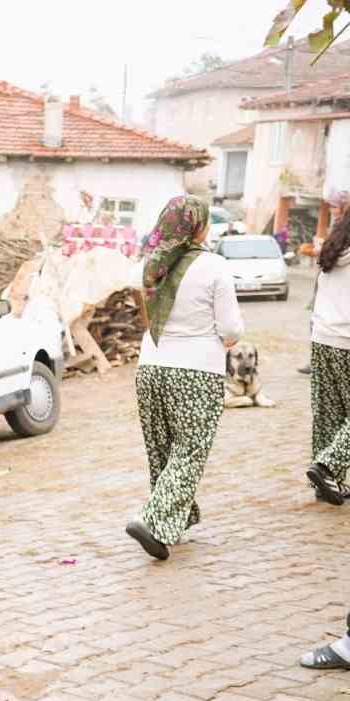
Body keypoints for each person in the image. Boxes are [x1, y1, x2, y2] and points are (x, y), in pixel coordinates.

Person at [126, 195, 242, 561]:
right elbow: (230, 328)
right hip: (196, 371)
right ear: (197, 226)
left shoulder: (151, 266)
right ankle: (155, 521)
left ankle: (179, 517)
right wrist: (227, 339)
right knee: (189, 450)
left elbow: (147, 319)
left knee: (162, 449)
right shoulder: (215, 266)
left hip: (151, 366)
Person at [306, 207, 350, 505]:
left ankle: (326, 483)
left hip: (322, 339)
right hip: (347, 341)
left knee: (327, 414)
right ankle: (327, 466)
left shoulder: (332, 253)